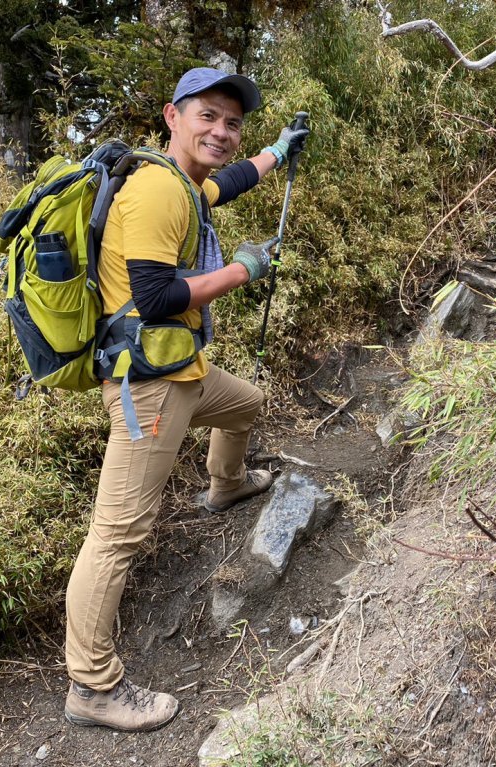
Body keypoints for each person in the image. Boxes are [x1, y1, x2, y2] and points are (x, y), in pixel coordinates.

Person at [62, 67, 309, 732]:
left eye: (233, 122)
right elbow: (157, 298)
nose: (222, 132)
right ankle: (92, 684)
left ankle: (225, 484)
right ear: (173, 116)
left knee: (246, 402)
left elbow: (227, 181)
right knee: (117, 535)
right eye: (208, 117)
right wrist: (243, 270)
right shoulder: (155, 194)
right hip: (150, 389)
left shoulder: (185, 180)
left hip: (184, 374)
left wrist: (278, 152)